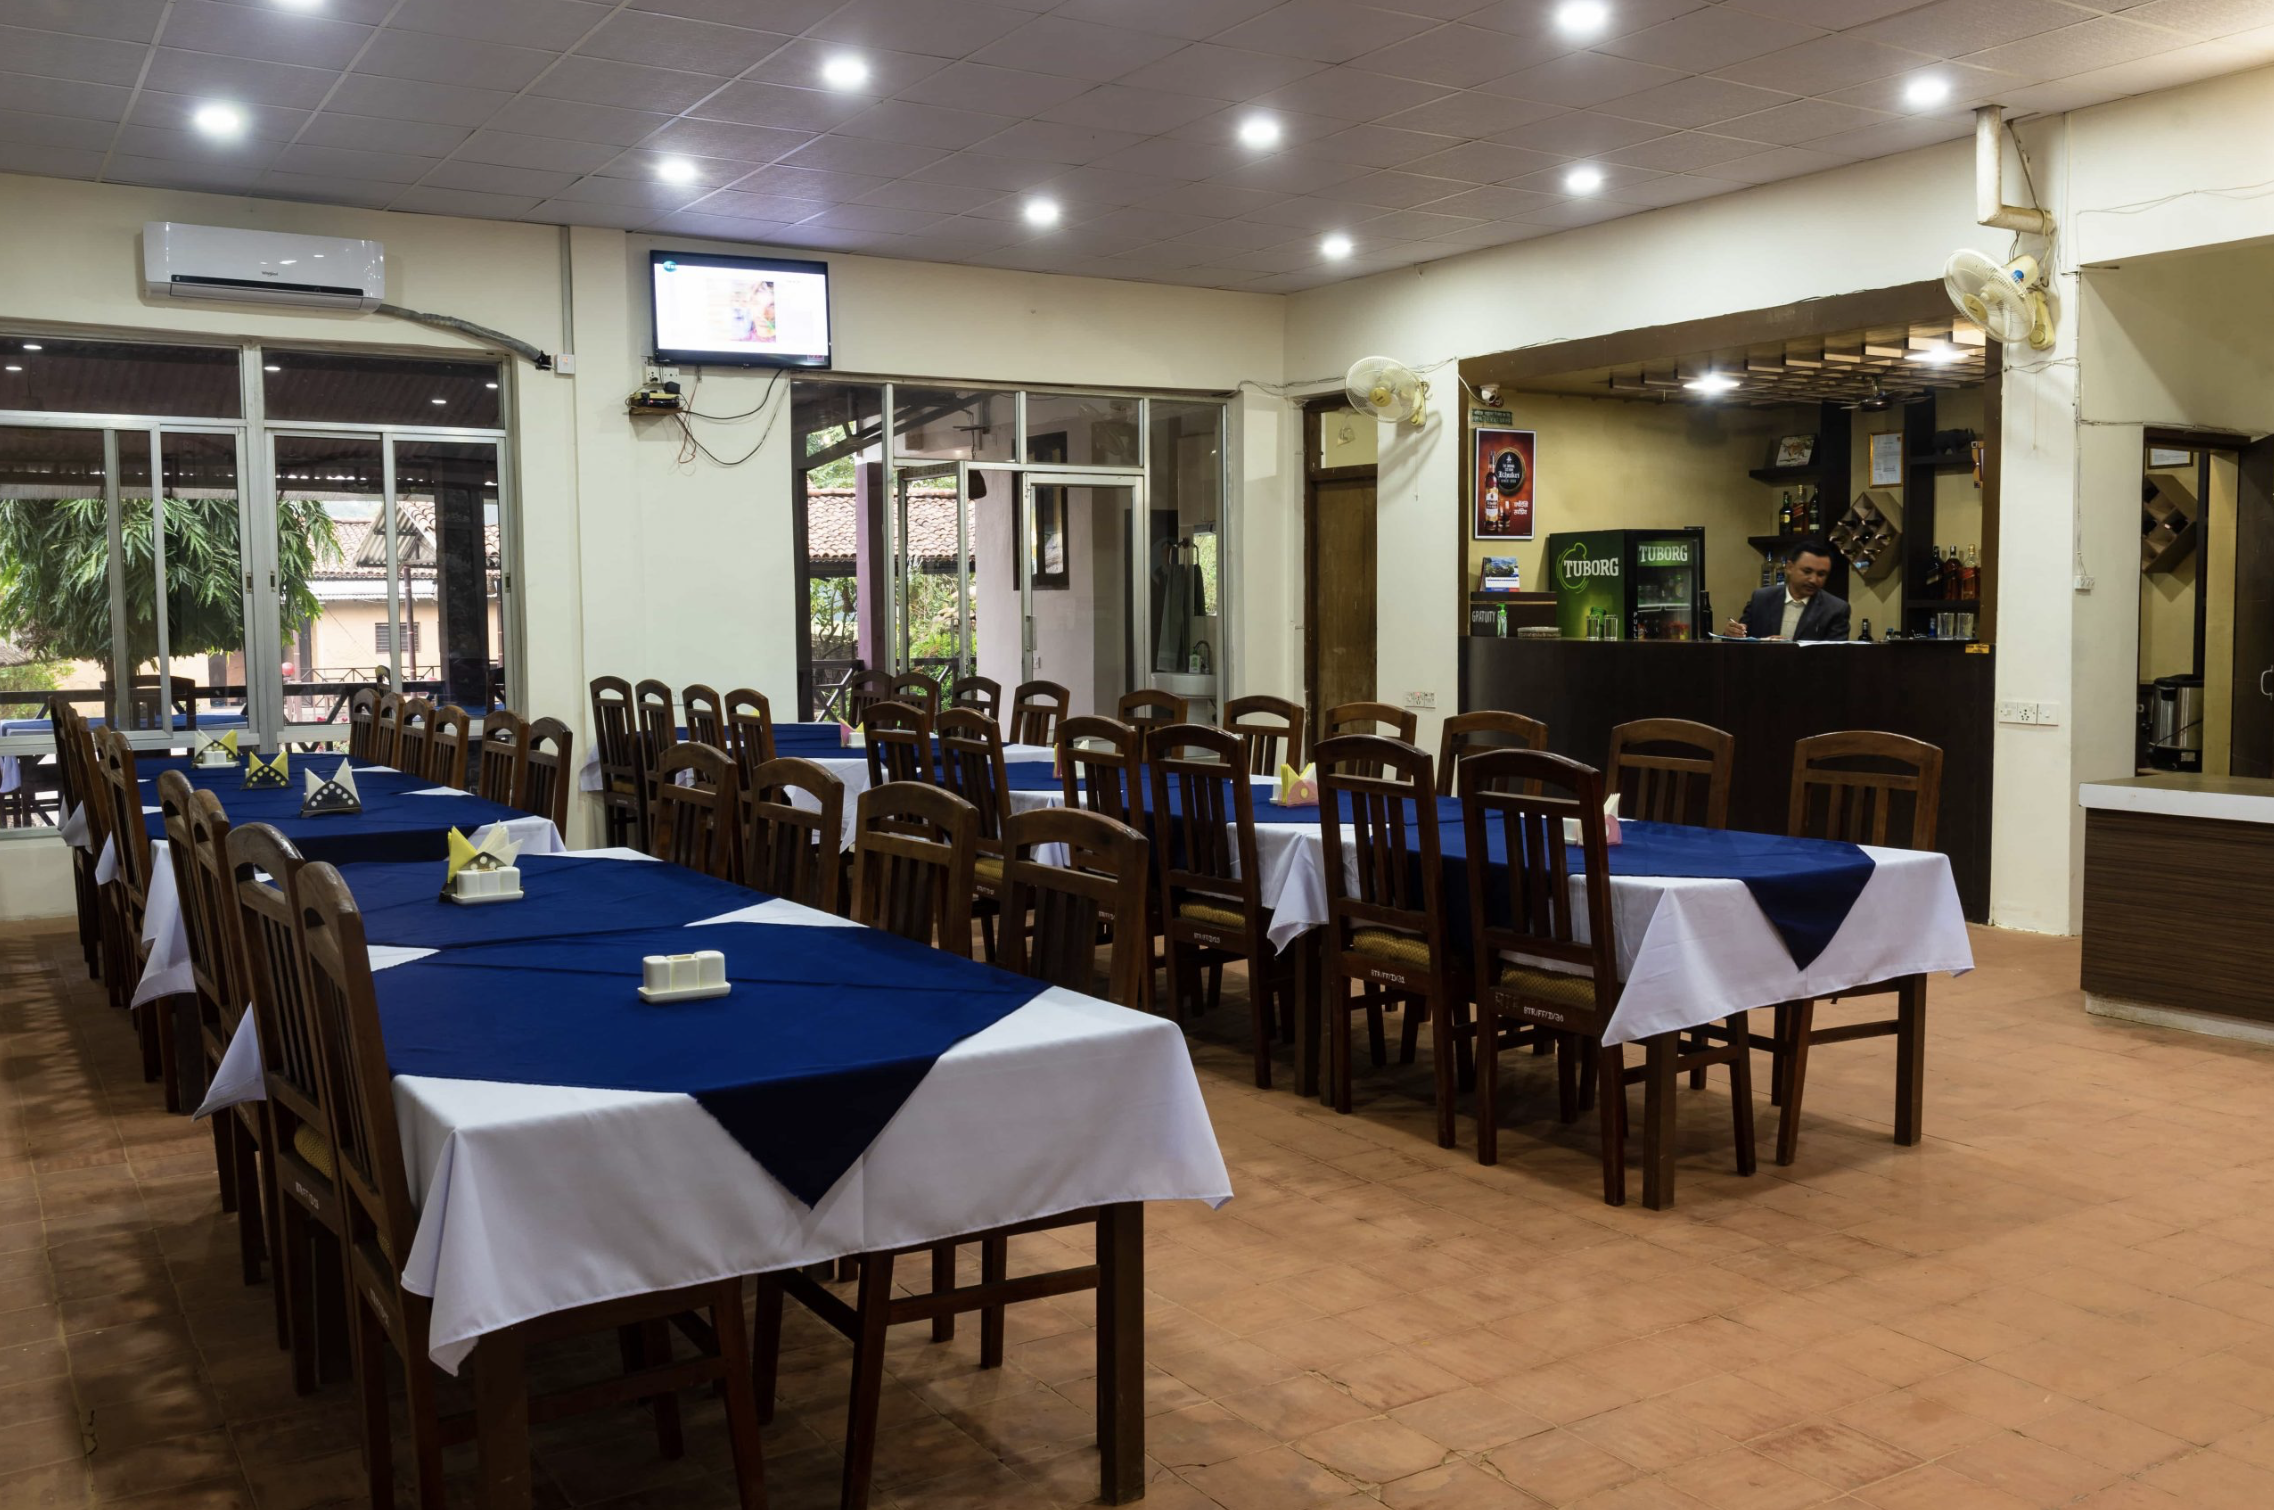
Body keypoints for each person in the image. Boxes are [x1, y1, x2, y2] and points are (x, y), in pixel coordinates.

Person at [1726, 538, 1850, 641]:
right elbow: (1741, 639)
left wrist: (1788, 648)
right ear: (1790, 567)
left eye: (1821, 574)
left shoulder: (1836, 609)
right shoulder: (1761, 598)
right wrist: (1731, 633)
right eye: (1807, 571)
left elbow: (1835, 657)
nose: (1813, 579)